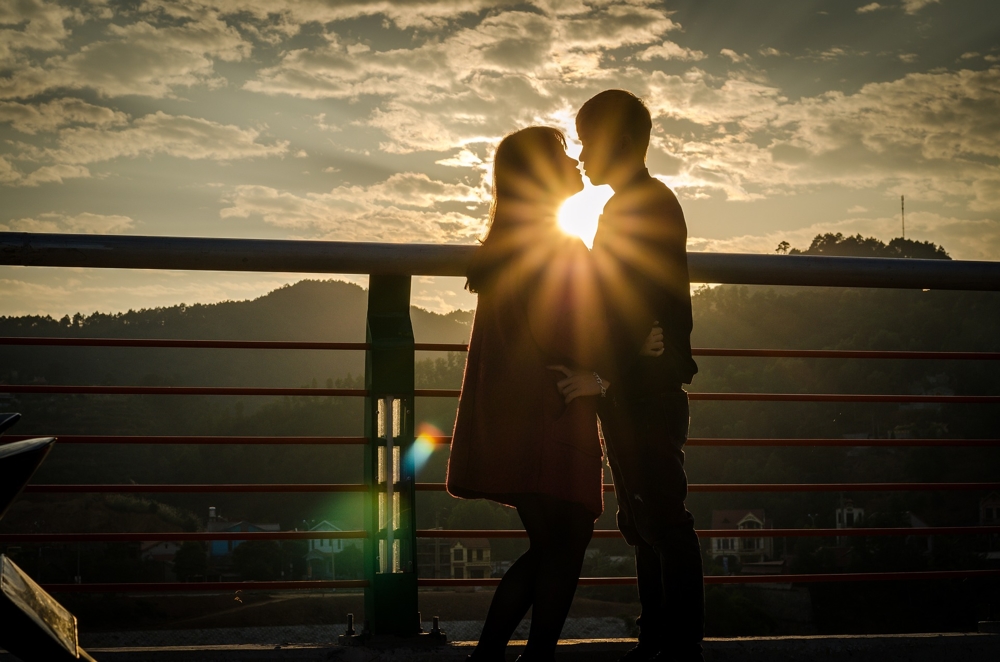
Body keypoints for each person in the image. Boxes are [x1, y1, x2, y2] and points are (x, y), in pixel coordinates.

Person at [446, 126, 609, 662]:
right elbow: (572, 330)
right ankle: (525, 659)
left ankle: (494, 657)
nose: (574, 161)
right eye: (562, 153)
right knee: (567, 540)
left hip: (518, 412)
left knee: (552, 543)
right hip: (552, 409)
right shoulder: (554, 244)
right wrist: (612, 363)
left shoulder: (509, 243)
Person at [555, 89, 704, 662]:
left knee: (661, 518)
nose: (584, 155)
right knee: (645, 520)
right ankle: (659, 637)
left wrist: (606, 376)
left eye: (588, 141)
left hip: (644, 393)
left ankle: (677, 644)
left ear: (619, 141)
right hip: (639, 388)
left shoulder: (640, 206)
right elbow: (626, 307)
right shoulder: (638, 202)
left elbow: (630, 302)